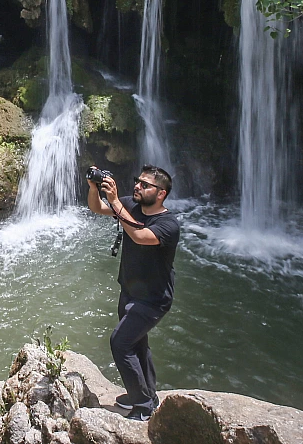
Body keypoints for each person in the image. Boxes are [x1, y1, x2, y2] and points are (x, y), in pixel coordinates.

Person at [86, 165, 180, 421]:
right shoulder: (131, 205)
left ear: (161, 193)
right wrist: (95, 188)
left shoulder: (168, 224)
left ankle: (143, 407)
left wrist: (115, 201)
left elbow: (139, 235)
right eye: (137, 181)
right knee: (138, 344)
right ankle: (146, 393)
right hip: (128, 289)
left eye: (145, 184)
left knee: (121, 343)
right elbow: (97, 208)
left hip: (153, 299)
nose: (137, 186)